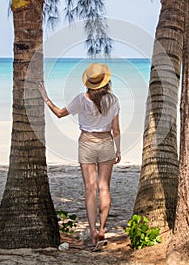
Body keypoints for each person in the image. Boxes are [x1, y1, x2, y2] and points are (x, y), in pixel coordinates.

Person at [38, 63, 121, 247]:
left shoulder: (81, 99)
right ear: (106, 82)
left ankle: (92, 231)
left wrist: (46, 99)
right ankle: (102, 229)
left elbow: (60, 114)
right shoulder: (113, 100)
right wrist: (118, 150)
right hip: (106, 143)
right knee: (104, 188)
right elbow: (116, 130)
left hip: (86, 144)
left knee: (90, 189)